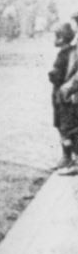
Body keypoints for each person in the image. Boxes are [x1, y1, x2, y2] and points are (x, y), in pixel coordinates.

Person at [50, 22, 78, 175]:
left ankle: (74, 159)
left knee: (70, 127)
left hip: (69, 92)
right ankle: (67, 156)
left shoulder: (70, 51)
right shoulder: (69, 49)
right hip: (61, 92)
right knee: (61, 124)